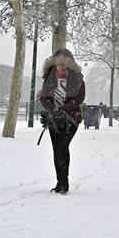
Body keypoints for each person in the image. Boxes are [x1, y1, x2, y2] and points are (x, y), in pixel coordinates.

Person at [39, 48, 84, 194]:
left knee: (62, 147)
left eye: (64, 65)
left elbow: (79, 98)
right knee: (56, 149)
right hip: (54, 118)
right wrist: (52, 109)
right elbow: (43, 97)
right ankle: (60, 181)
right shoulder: (49, 78)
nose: (61, 67)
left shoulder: (77, 78)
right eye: (58, 64)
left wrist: (64, 108)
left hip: (71, 118)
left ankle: (64, 182)